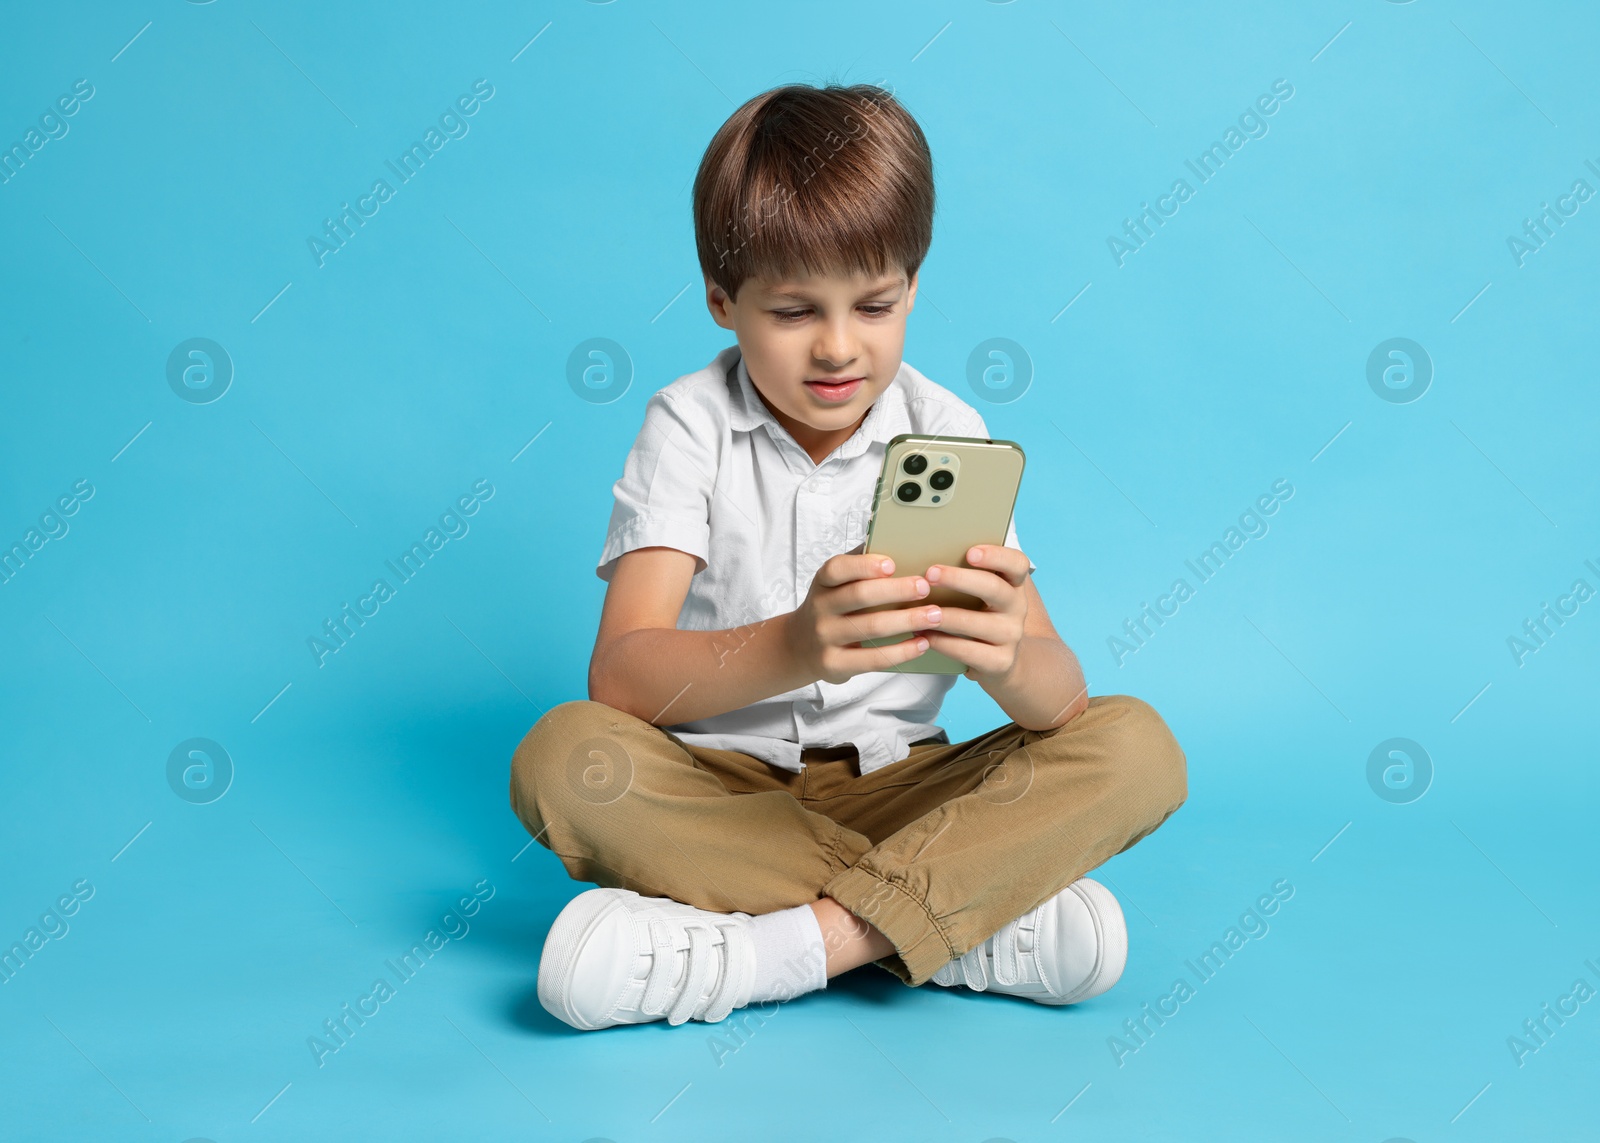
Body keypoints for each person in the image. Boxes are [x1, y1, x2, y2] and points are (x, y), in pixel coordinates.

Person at [511, 82, 1186, 1032]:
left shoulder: (948, 428)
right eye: (793, 312)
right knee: (562, 758)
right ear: (721, 301)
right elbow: (618, 678)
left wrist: (1005, 656)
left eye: (875, 304)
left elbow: (1062, 704)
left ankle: (765, 952)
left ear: (914, 287)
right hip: (729, 795)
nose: (838, 348)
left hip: (913, 788)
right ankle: (961, 920)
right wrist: (796, 646)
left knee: (1136, 743)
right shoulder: (687, 426)